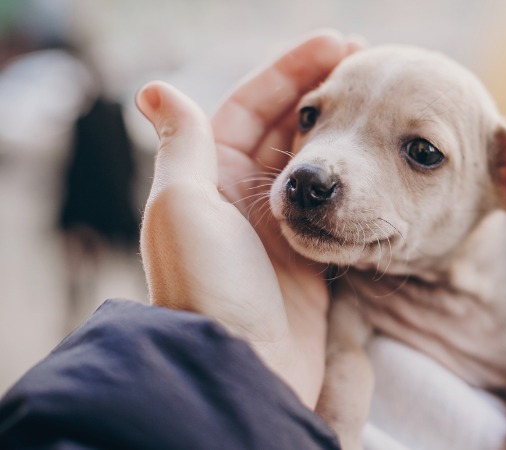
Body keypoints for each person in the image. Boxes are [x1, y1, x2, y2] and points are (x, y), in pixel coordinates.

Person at [0, 30, 363, 449]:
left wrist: (208, 346)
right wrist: (226, 355)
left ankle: (75, 308)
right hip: (96, 215)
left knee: (91, 269)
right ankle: (77, 306)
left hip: (88, 215)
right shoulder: (99, 113)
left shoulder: (93, 114)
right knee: (98, 270)